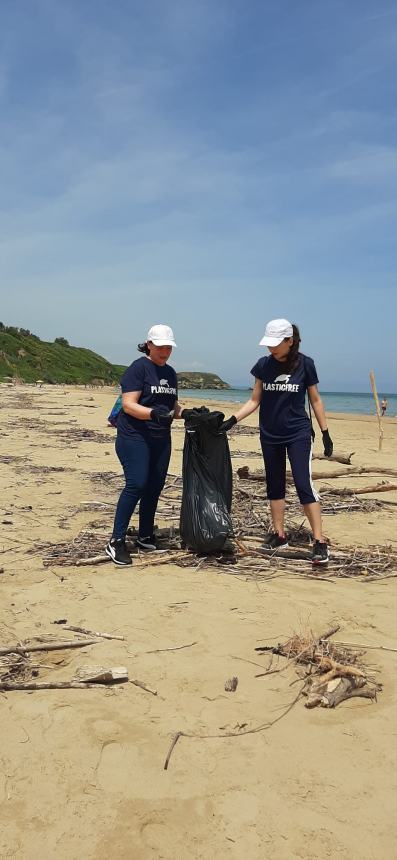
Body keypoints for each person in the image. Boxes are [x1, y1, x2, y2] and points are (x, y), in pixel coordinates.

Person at [220, 319, 333, 565]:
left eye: (276, 343)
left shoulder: (305, 364)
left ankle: (319, 540)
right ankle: (279, 534)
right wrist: (232, 420)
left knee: (304, 484)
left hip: (298, 433)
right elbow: (254, 400)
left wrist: (325, 432)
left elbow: (315, 400)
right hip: (269, 433)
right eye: (268, 343)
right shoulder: (263, 365)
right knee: (275, 484)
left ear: (289, 341)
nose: (271, 348)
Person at [106, 324, 184, 566]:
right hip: (134, 437)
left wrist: (191, 414)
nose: (165, 352)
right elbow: (129, 404)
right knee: (137, 483)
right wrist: (153, 414)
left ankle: (145, 535)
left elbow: (171, 406)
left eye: (168, 347)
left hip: (161, 438)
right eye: (160, 347)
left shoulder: (170, 373)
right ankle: (116, 541)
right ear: (149, 344)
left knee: (154, 486)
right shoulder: (138, 369)